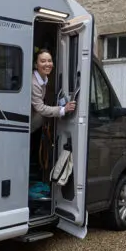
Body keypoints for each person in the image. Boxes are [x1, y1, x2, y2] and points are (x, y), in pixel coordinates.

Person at [30, 49, 75, 177]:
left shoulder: (43, 78)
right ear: (36, 64)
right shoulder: (34, 83)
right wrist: (62, 109)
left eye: (49, 61)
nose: (47, 64)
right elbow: (40, 108)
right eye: (43, 61)